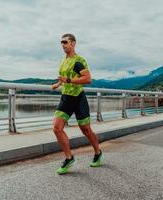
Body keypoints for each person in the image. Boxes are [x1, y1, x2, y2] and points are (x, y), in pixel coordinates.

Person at [51, 33, 102, 175]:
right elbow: (64, 78)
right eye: (61, 42)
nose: (62, 45)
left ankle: (98, 152)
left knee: (85, 130)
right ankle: (69, 158)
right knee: (56, 128)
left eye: (65, 42)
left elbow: (88, 79)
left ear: (73, 43)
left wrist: (67, 81)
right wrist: (58, 84)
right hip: (66, 98)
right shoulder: (63, 61)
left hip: (78, 98)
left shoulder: (79, 60)